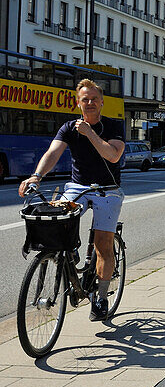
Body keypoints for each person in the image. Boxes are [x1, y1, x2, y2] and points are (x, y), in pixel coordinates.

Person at [18, 79, 125, 322]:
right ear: (78, 103)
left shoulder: (113, 126)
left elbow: (113, 155)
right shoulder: (68, 127)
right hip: (78, 187)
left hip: (107, 190)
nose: (89, 103)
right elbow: (52, 153)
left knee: (103, 245)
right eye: (85, 99)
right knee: (57, 220)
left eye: (94, 99)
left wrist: (89, 134)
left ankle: (101, 297)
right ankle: (70, 252)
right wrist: (36, 176)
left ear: (101, 102)